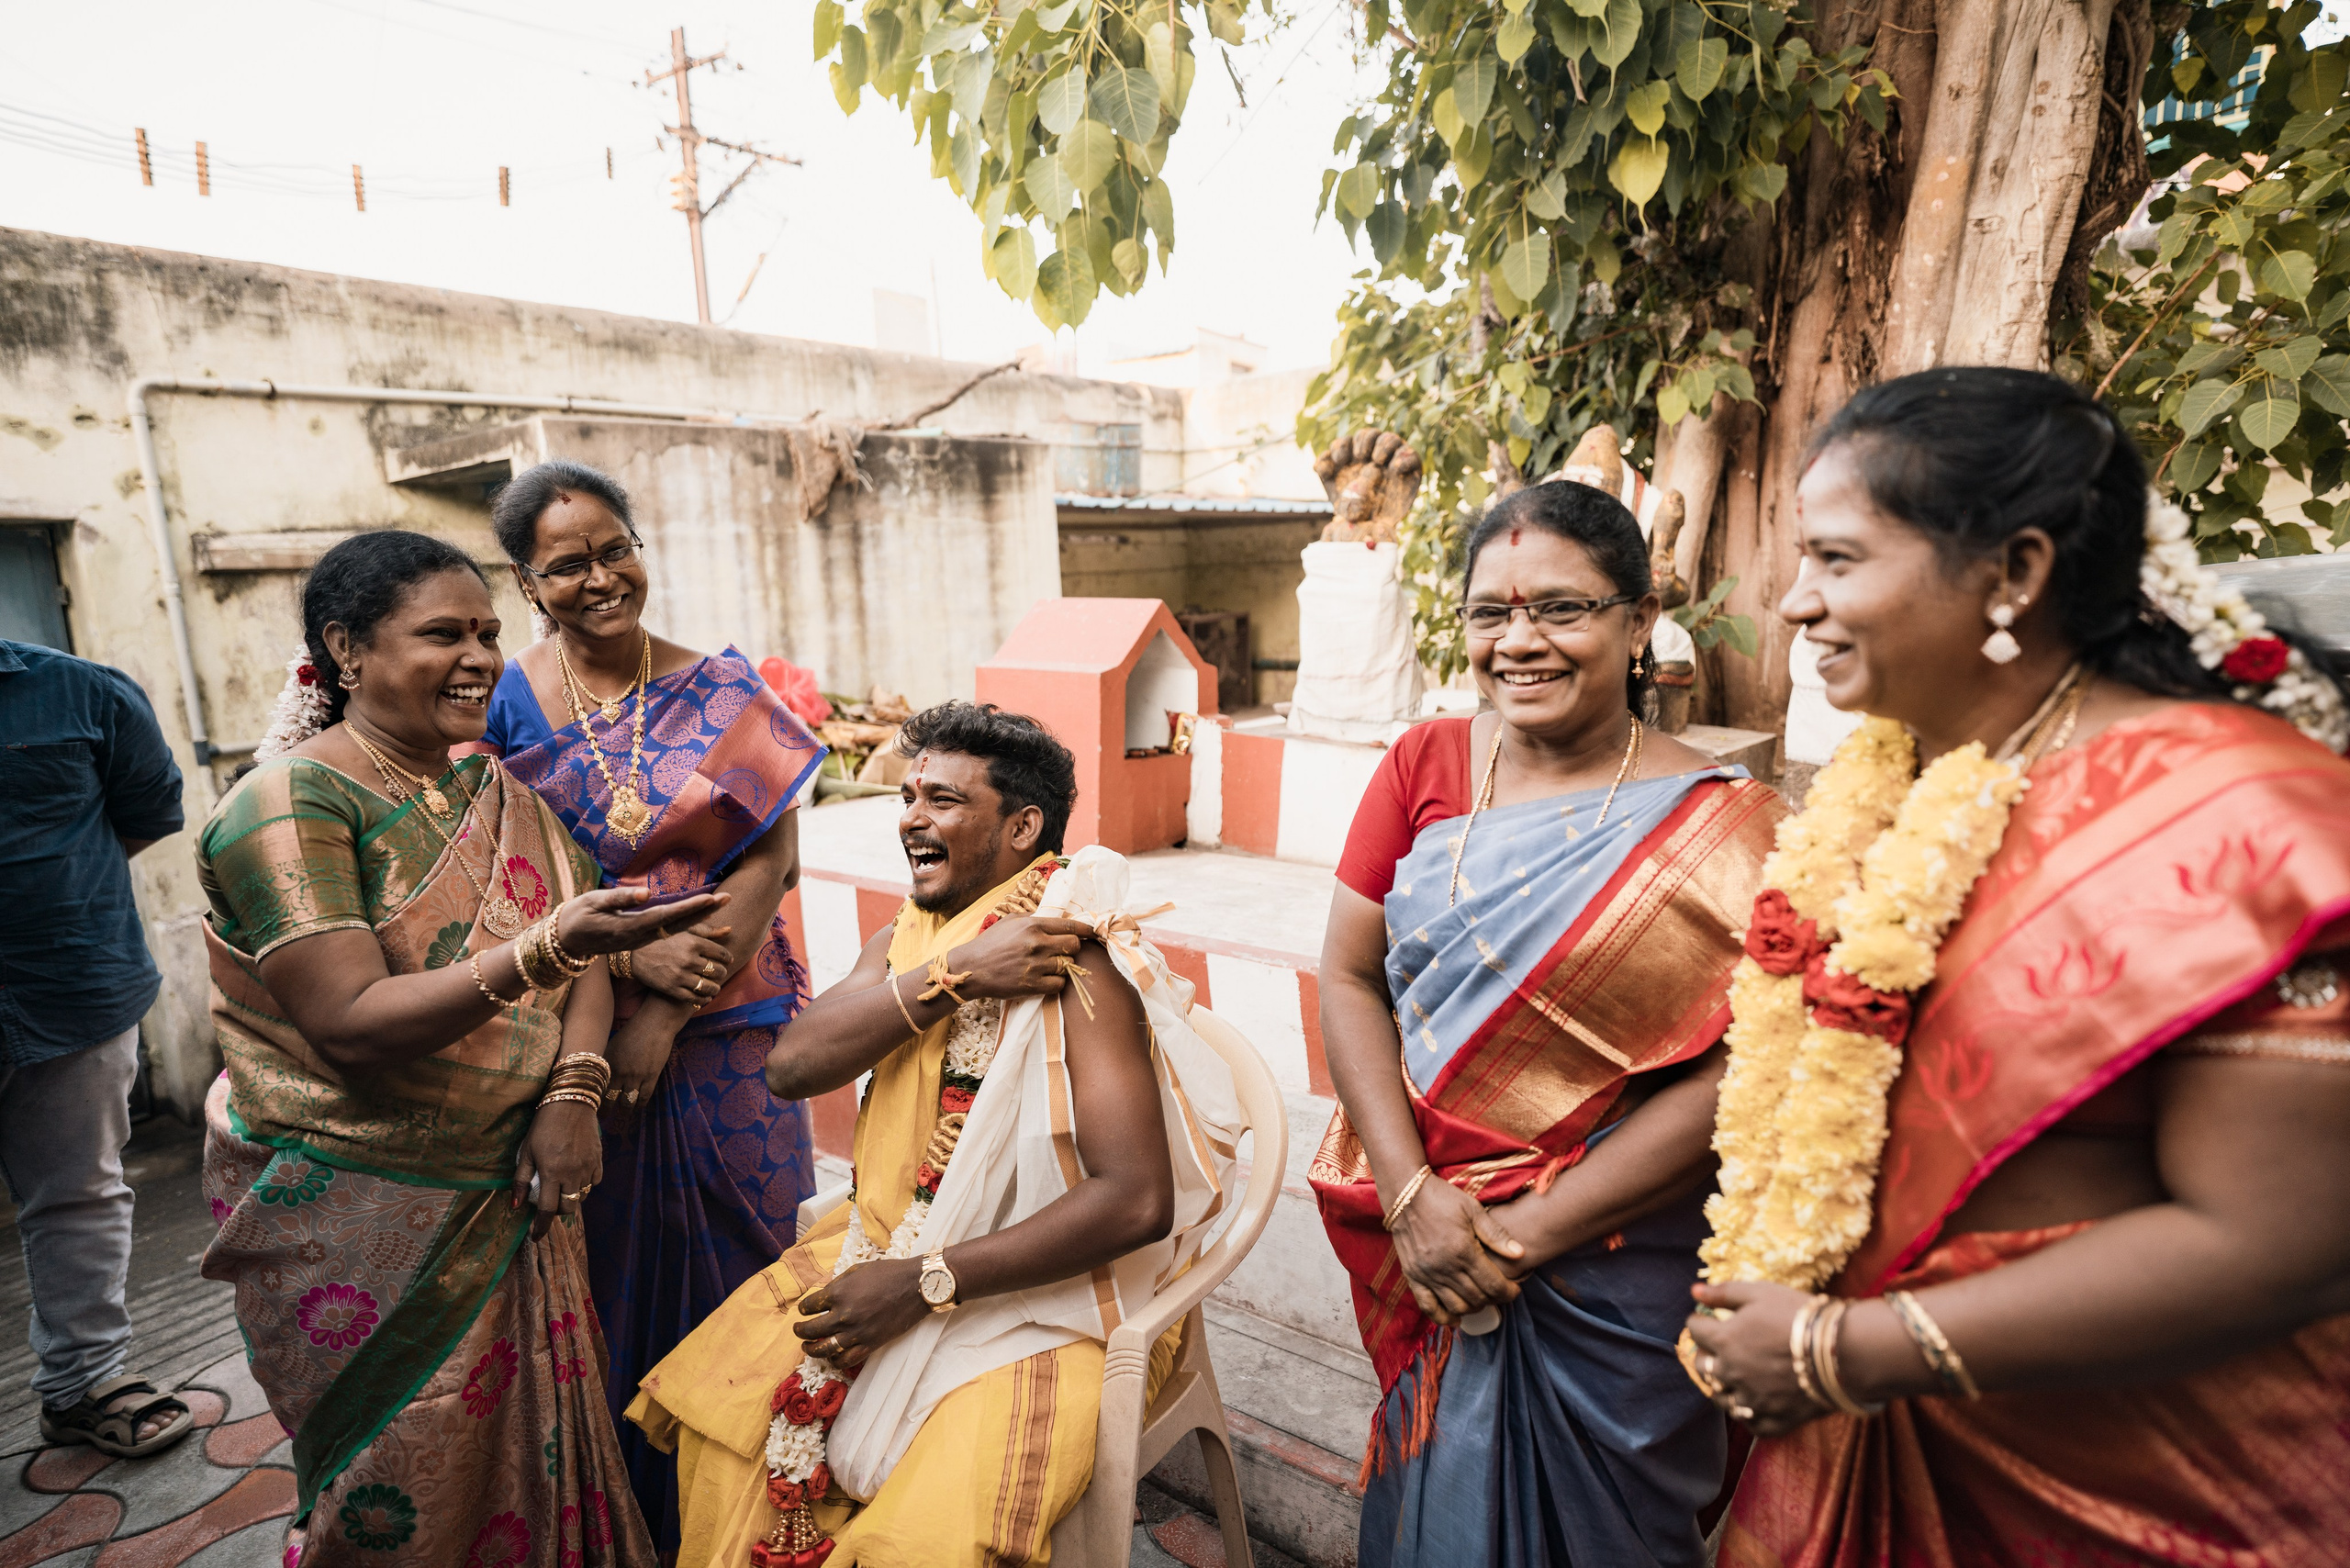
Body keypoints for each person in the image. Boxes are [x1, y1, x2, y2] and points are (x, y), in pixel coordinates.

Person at [1684, 368, 2350, 1565]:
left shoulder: (2247, 823)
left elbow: (2282, 1244)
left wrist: (1844, 1354)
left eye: (1838, 561)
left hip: (2148, 1488)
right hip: (1909, 1438)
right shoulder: (1916, 781)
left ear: (2016, 573)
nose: (1793, 602)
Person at [197, 530, 731, 1566]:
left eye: (489, 631)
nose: (481, 656)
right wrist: (542, 949)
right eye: (443, 633)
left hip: (517, 1188)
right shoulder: (291, 803)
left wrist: (572, 1095)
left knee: (535, 1457)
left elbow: (583, 956)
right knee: (397, 1480)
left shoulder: (501, 795)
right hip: (361, 1201)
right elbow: (349, 1025)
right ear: (346, 649)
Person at [628, 702, 1243, 1568]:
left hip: (1055, 1301)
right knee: (724, 1440)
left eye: (946, 800)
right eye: (909, 795)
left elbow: (1136, 1199)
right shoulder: (910, 940)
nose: (913, 816)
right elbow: (792, 1067)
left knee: (924, 1542)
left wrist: (926, 1280)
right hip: (876, 1247)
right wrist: (951, 977)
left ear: (1023, 826)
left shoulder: (1077, 956)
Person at [1310, 480, 1786, 1568]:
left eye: (1562, 609)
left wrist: (1524, 1233)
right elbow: (1348, 977)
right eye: (1491, 612)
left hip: (1614, 1270)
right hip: (1425, 1235)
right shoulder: (1423, 765)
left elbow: (1749, 1066)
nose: (1518, 641)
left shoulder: (1727, 826)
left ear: (1639, 619)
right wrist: (1411, 1198)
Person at [473, 461, 828, 1551]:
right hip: (587, 1017)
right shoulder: (508, 703)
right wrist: (625, 980)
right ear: (530, 585)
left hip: (733, 1021)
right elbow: (505, 872)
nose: (600, 576)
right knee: (617, 1269)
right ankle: (645, 1517)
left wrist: (671, 1005)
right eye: (566, 564)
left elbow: (773, 853)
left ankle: (774, 1503)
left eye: (614, 547)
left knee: (754, 1259)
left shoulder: (721, 688)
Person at [0, 637, 193, 1459]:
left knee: (79, 1192)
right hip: (74, 980)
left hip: (72, 988)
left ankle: (83, 1384)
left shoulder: (83, 693)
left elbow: (147, 814)